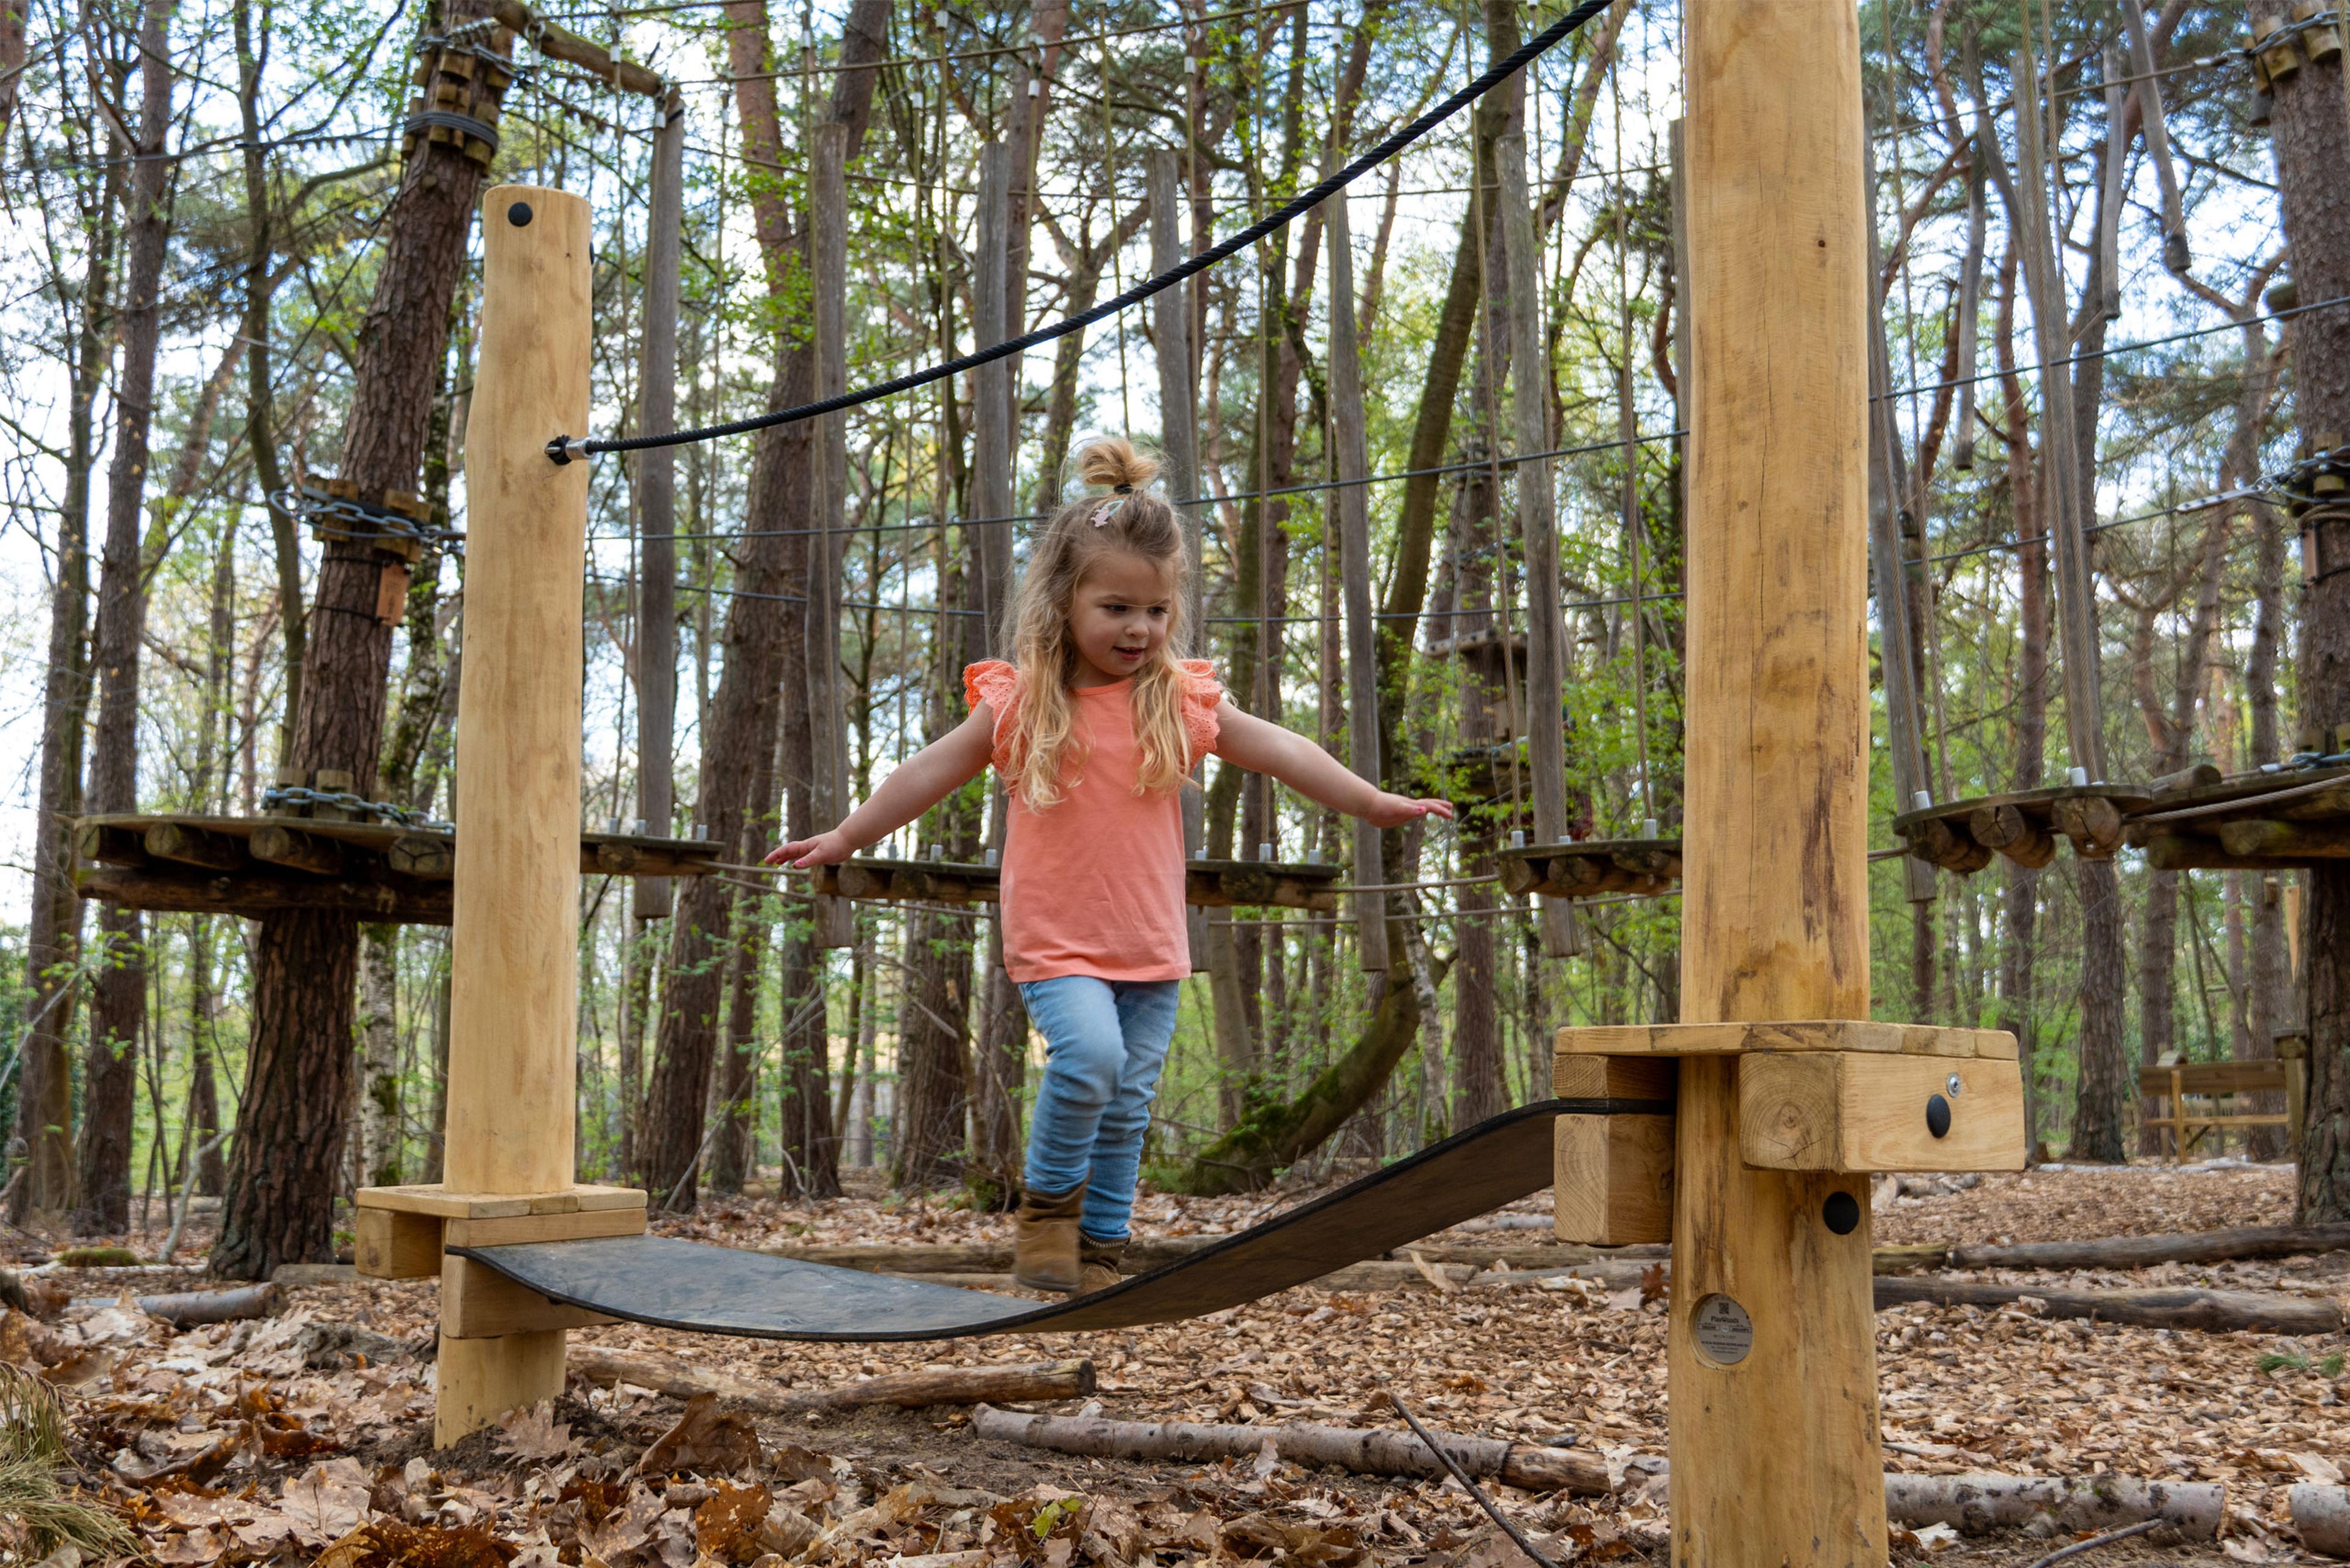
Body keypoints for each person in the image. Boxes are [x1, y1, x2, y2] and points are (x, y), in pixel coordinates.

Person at [766, 436, 1453, 1293]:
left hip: (1152, 943)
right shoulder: (1022, 703)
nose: (1139, 629)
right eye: (1117, 608)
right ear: (1065, 600)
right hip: (1057, 938)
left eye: (1156, 612)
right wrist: (844, 837)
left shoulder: (1179, 699)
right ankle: (1049, 1216)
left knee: (1128, 1102)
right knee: (1088, 1061)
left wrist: (1374, 802)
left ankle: (1101, 1251)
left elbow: (1283, 750)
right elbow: (926, 770)